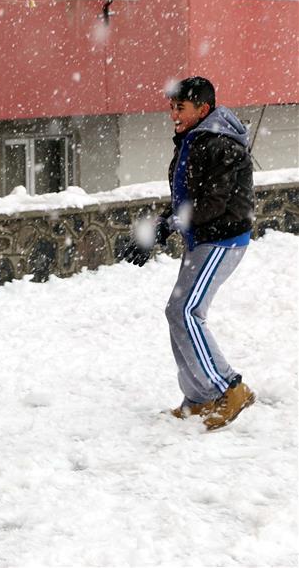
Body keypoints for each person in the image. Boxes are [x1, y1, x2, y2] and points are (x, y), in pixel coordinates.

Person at [120, 76, 255, 431]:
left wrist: (169, 225)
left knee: (186, 311)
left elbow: (212, 204)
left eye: (180, 108)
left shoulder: (221, 145)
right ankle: (200, 398)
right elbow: (185, 198)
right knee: (177, 311)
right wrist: (158, 227)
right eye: (171, 107)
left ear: (203, 109)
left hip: (223, 240)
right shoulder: (193, 140)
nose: (173, 115)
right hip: (202, 239)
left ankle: (229, 389)